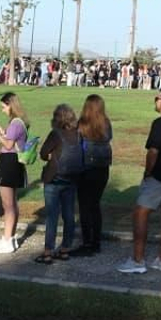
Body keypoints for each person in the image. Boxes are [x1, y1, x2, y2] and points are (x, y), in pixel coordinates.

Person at [117, 87, 161, 274]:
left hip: (159, 176)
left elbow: (153, 151)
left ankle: (138, 260)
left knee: (140, 213)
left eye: (156, 98)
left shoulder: (160, 123)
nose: (155, 101)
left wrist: (148, 172)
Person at [36, 103, 81, 264]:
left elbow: (43, 153)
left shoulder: (56, 134)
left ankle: (48, 251)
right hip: (72, 178)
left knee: (52, 216)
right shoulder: (77, 133)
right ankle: (65, 249)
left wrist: (51, 157)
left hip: (54, 178)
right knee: (69, 215)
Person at [0, 92, 29, 255]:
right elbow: (13, 141)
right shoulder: (20, 122)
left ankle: (7, 240)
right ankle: (9, 238)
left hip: (8, 163)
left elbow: (9, 145)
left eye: (4, 107)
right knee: (12, 203)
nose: (3, 110)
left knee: (8, 205)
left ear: (11, 105)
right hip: (14, 163)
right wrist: (3, 134)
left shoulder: (15, 123)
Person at [74, 94, 113, 256]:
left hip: (86, 168)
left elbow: (75, 144)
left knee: (84, 206)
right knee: (95, 205)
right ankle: (95, 242)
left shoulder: (83, 124)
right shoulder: (106, 124)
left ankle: (87, 242)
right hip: (102, 168)